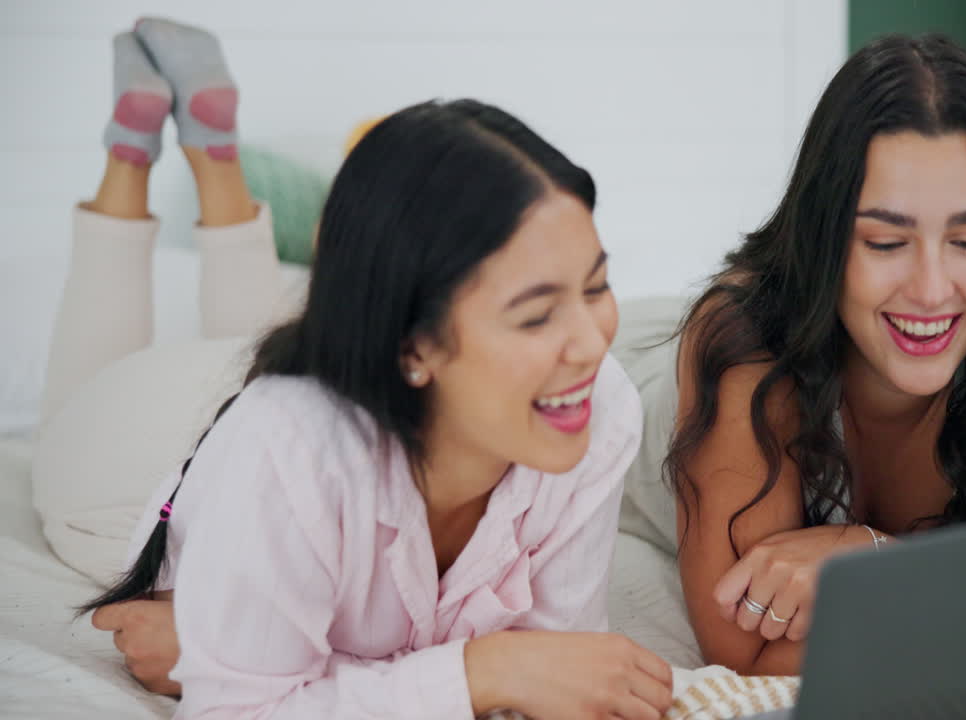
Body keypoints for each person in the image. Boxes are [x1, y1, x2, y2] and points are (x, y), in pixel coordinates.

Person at [61, 18, 672, 718]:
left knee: (258, 329)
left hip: (334, 394)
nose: (592, 344)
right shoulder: (289, 450)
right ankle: (151, 160)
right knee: (101, 388)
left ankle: (212, 152)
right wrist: (477, 671)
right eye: (537, 316)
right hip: (121, 441)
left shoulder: (595, 410)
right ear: (413, 344)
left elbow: (556, 678)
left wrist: (497, 673)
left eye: (595, 288)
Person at [656, 33, 966, 676]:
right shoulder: (743, 340)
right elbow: (747, 655)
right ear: (823, 241)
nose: (931, 291)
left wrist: (881, 556)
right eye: (885, 243)